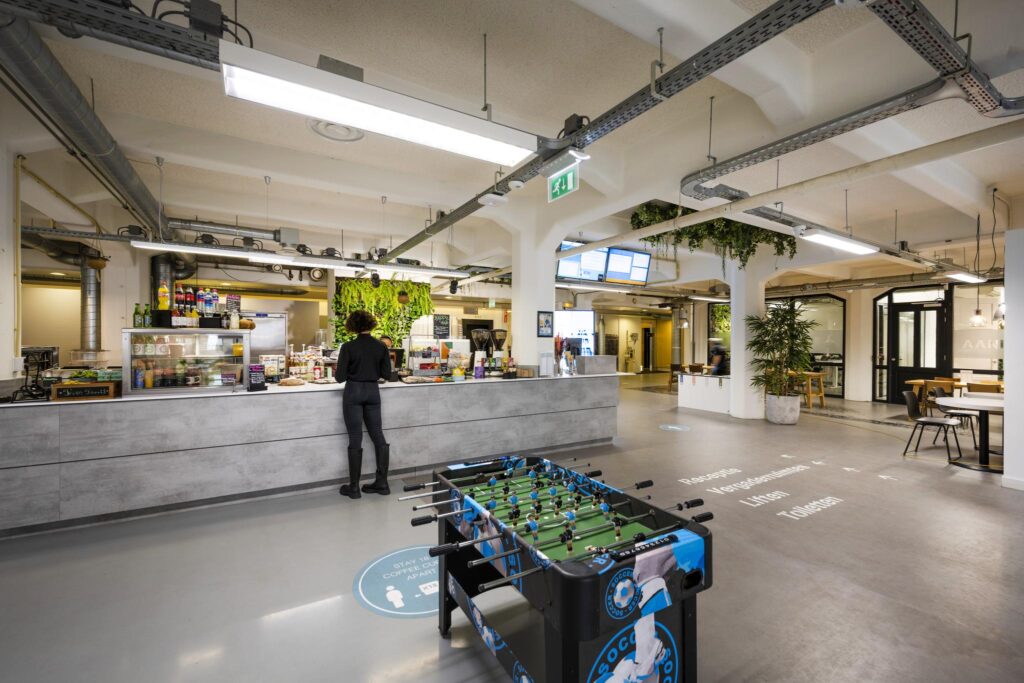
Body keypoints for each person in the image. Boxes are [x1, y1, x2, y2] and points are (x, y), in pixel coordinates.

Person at [336, 310, 392, 499]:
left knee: (355, 437)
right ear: (371, 323)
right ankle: (382, 483)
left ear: (353, 326)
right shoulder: (381, 346)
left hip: (353, 392)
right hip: (372, 392)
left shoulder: (348, 347)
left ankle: (354, 487)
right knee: (378, 436)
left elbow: (339, 378)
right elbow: (386, 374)